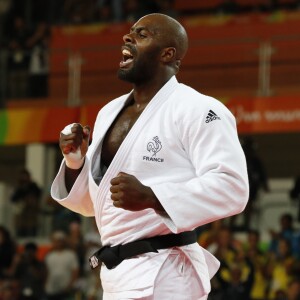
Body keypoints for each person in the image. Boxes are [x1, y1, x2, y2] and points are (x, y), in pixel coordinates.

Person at [51, 13, 249, 300]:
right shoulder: (109, 112)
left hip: (166, 273)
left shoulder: (198, 108)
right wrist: (74, 162)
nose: (127, 37)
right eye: (130, 32)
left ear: (168, 54)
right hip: (118, 277)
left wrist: (153, 196)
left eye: (142, 35)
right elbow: (100, 205)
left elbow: (233, 187)